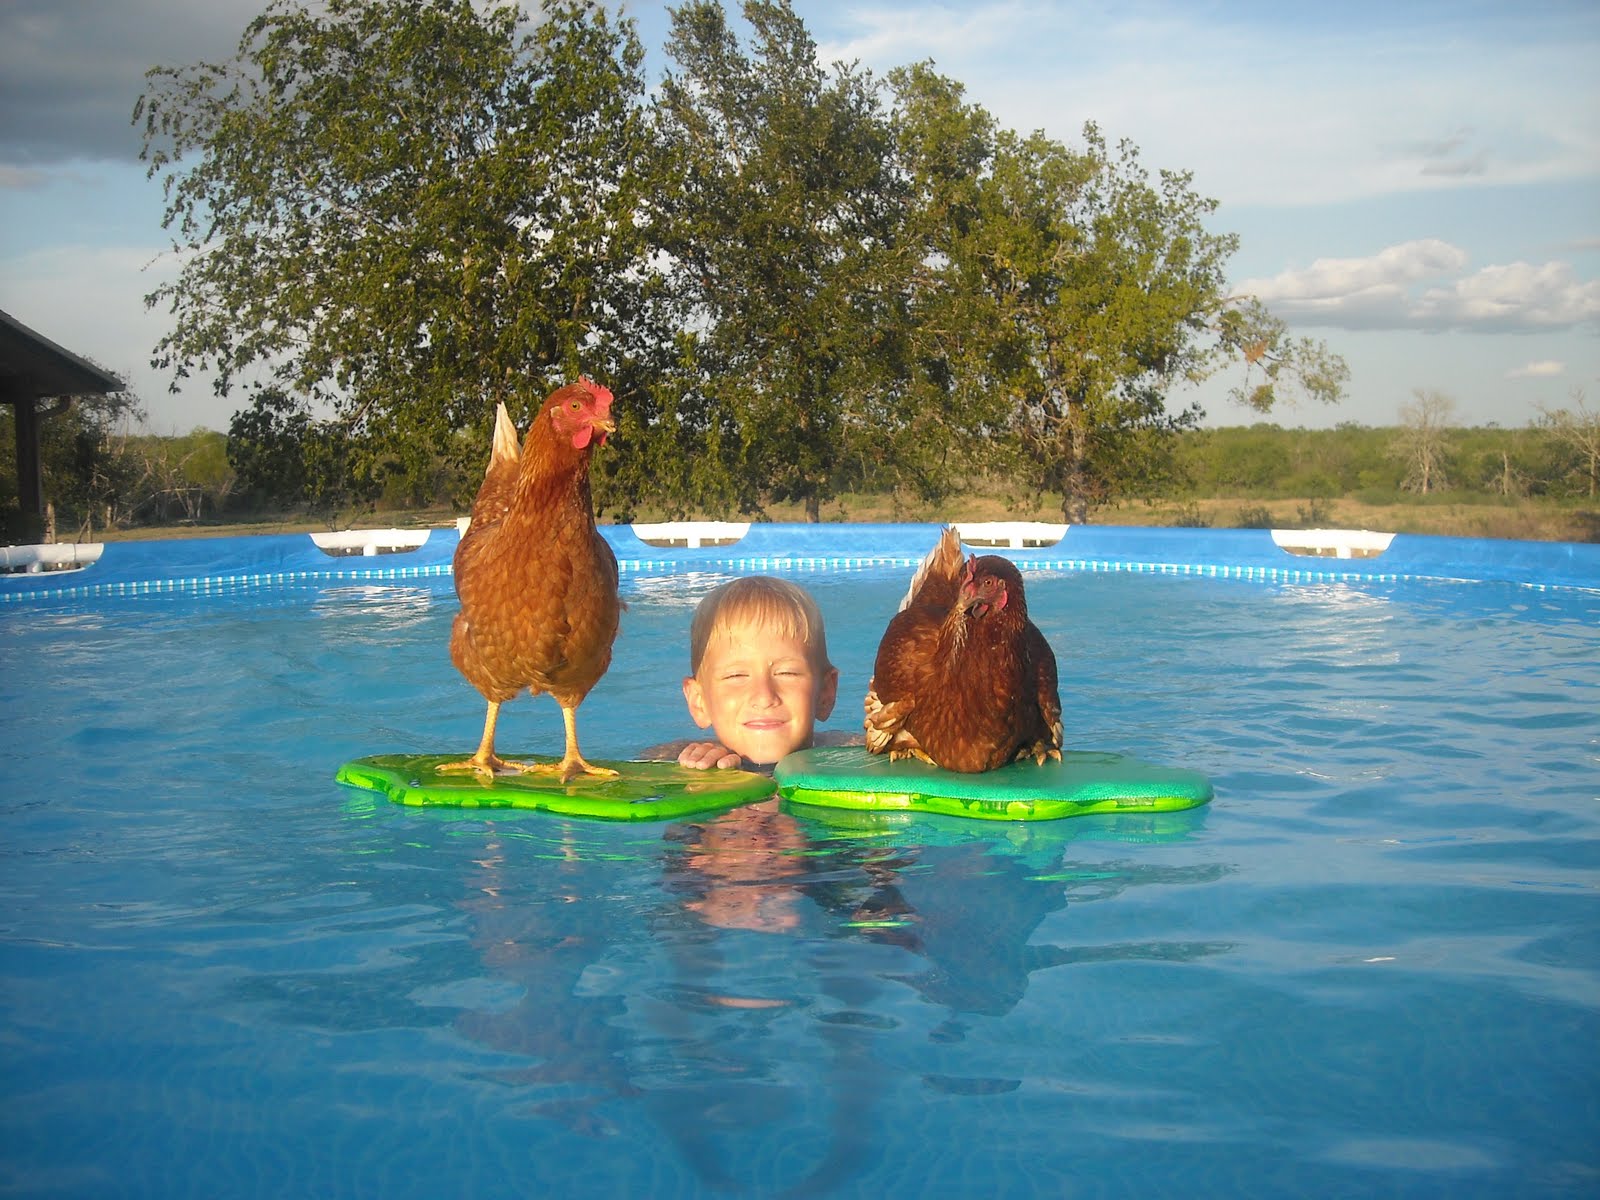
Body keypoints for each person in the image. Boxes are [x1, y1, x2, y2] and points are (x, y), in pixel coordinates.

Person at [644, 575, 853, 772]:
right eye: (736, 676)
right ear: (699, 702)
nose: (764, 697)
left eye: (787, 673)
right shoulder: (670, 762)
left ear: (825, 692)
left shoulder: (855, 756)